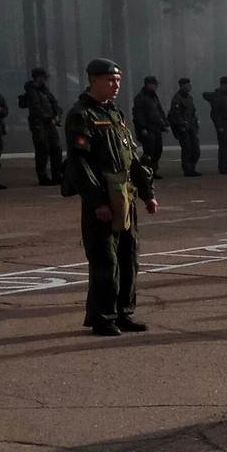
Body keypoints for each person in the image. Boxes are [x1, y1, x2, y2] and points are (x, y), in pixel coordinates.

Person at [65, 58, 157, 337]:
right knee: (106, 260)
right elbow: (80, 165)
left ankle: (123, 313)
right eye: (109, 79)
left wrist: (147, 193)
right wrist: (98, 203)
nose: (116, 84)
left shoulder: (116, 114)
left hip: (125, 197)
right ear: (93, 80)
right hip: (104, 199)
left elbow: (133, 158)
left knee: (129, 257)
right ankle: (102, 317)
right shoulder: (82, 115)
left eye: (117, 79)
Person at [19, 67, 65, 187]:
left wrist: (57, 115)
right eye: (43, 77)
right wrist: (49, 118)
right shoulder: (31, 91)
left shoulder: (45, 91)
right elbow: (36, 108)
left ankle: (57, 175)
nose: (45, 80)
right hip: (39, 125)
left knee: (56, 150)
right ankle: (43, 176)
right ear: (38, 77)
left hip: (51, 124)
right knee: (42, 151)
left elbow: (55, 104)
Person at [202, 76, 227, 174]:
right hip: (223, 124)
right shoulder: (218, 96)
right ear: (224, 85)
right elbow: (215, 113)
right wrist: (219, 125)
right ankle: (223, 167)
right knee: (224, 147)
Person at [131, 75, 167, 180]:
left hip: (156, 128)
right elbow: (139, 113)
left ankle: (152, 171)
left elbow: (159, 111)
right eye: (154, 84)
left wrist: (164, 123)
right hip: (147, 129)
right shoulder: (140, 97)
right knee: (149, 152)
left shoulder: (154, 97)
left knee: (158, 150)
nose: (155, 86)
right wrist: (142, 128)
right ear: (149, 84)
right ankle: (143, 172)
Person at [168, 78, 202, 177]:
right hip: (183, 128)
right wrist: (181, 125)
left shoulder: (189, 98)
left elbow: (193, 112)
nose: (189, 87)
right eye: (187, 85)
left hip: (191, 127)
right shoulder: (177, 99)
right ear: (182, 86)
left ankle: (192, 167)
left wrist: (195, 123)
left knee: (196, 150)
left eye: (189, 85)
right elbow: (175, 114)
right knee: (187, 149)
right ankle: (188, 170)